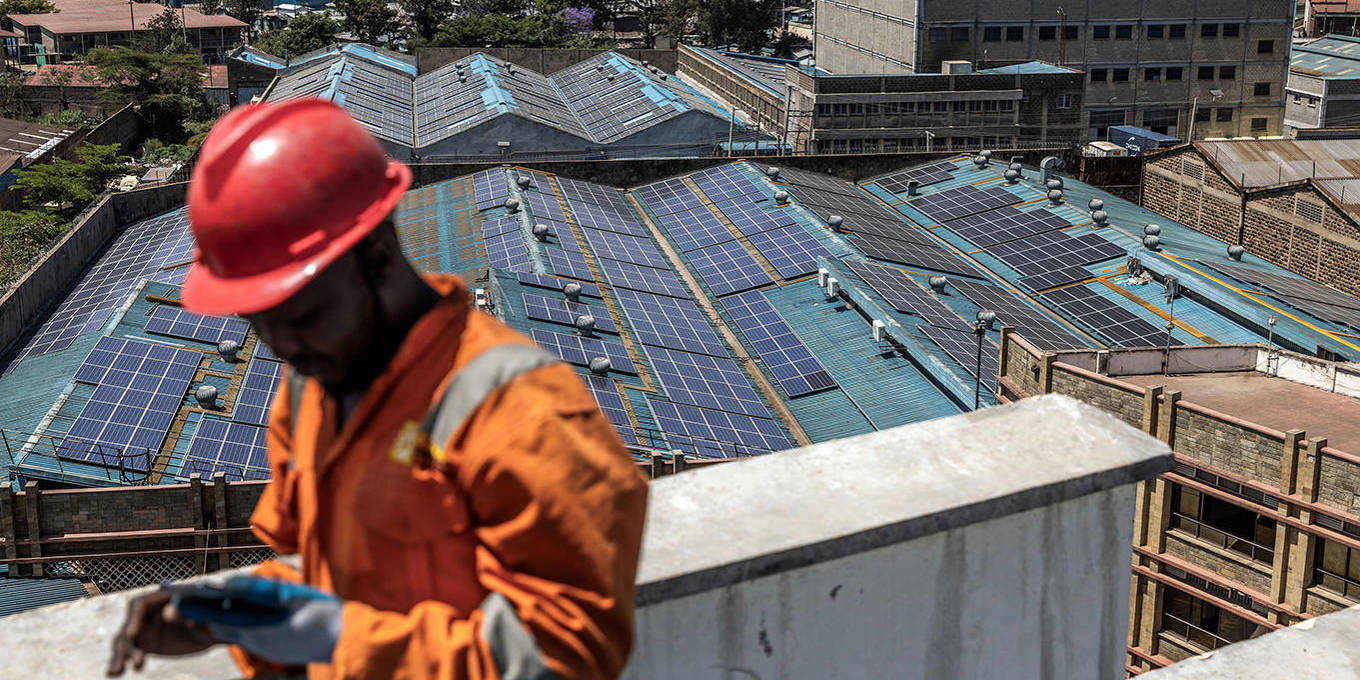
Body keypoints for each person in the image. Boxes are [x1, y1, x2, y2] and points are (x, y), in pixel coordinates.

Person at [106, 98, 649, 680]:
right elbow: (326, 569)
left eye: (302, 314)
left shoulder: (522, 416)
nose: (281, 347)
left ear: (379, 255)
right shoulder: (311, 388)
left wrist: (342, 640)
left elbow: (568, 653)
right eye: (257, 320)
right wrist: (237, 609)